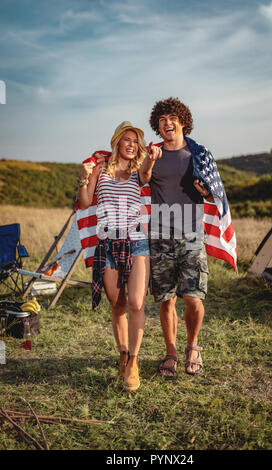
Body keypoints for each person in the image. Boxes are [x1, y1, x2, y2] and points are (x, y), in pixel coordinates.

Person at [77, 121, 161, 391]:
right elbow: (85, 202)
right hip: (107, 244)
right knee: (117, 303)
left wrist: (149, 159)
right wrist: (83, 177)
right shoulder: (100, 168)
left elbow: (148, 173)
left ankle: (134, 362)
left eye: (135, 141)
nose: (131, 145)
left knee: (137, 302)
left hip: (136, 242)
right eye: (127, 140)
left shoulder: (139, 170)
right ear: (116, 142)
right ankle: (122, 353)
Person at [139, 97, 216, 379]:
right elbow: (143, 179)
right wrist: (149, 158)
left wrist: (205, 192)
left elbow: (213, 191)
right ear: (158, 126)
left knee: (194, 297)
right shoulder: (154, 154)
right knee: (167, 300)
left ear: (183, 121)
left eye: (172, 118)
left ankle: (192, 347)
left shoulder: (199, 154)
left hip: (192, 236)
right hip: (160, 237)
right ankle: (171, 352)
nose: (167, 123)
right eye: (162, 120)